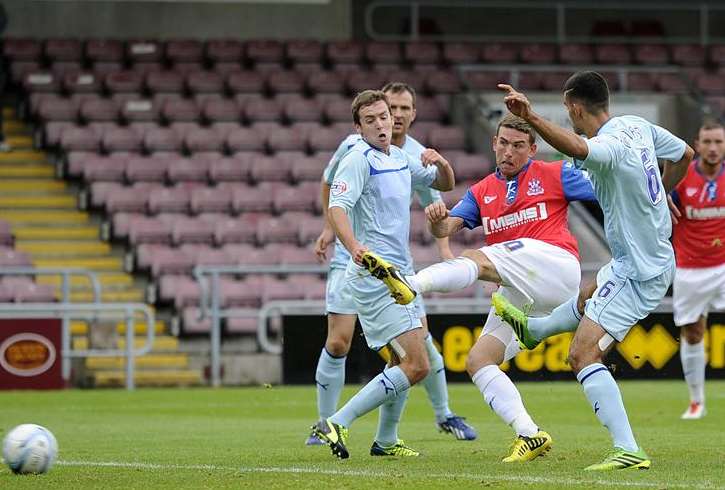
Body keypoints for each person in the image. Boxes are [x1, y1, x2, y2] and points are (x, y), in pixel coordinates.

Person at [489, 71, 694, 470]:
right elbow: (685, 154)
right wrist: (664, 192)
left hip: (641, 271)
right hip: (638, 258)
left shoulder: (609, 146)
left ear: (576, 107)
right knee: (587, 293)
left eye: (568, 111)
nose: (569, 118)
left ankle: (628, 449)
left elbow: (578, 147)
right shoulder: (636, 126)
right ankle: (533, 331)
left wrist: (530, 116)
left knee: (582, 356)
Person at [365, 113, 596, 462]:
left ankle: (410, 284)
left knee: (478, 257)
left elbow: (607, 188)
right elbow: (446, 230)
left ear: (533, 149)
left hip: (557, 265)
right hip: (521, 289)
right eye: (503, 143)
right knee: (479, 360)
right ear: (494, 144)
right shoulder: (483, 190)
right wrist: (439, 222)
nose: (509, 151)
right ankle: (529, 433)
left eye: (519, 145)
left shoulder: (555, 173)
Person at [306, 83, 476, 448]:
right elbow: (337, 206)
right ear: (359, 128)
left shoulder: (399, 157)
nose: (383, 123)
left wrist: (441, 162)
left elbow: (444, 184)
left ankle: (385, 439)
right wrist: (353, 246)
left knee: (410, 360)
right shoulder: (357, 158)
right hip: (375, 276)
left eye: (385, 116)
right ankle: (335, 421)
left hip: (402, 275)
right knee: (413, 364)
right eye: (372, 120)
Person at [670, 120, 725, 420]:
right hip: (691, 268)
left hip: (724, 263)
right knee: (693, 332)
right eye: (708, 142)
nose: (713, 148)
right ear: (698, 144)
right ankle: (696, 401)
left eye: (719, 142)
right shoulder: (683, 179)